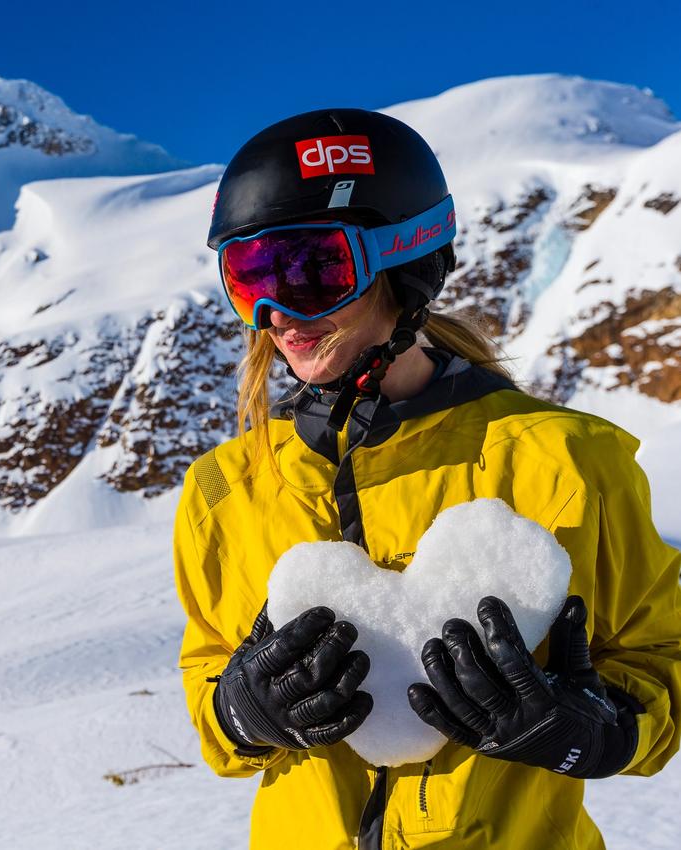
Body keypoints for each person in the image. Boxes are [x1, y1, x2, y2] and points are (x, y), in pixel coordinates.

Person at [172, 108, 681, 849]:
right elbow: (208, 679)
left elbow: (662, 662)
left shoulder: (564, 462)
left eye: (313, 271)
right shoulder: (225, 489)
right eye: (250, 278)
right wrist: (238, 715)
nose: (278, 314)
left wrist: (587, 732)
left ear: (404, 262)